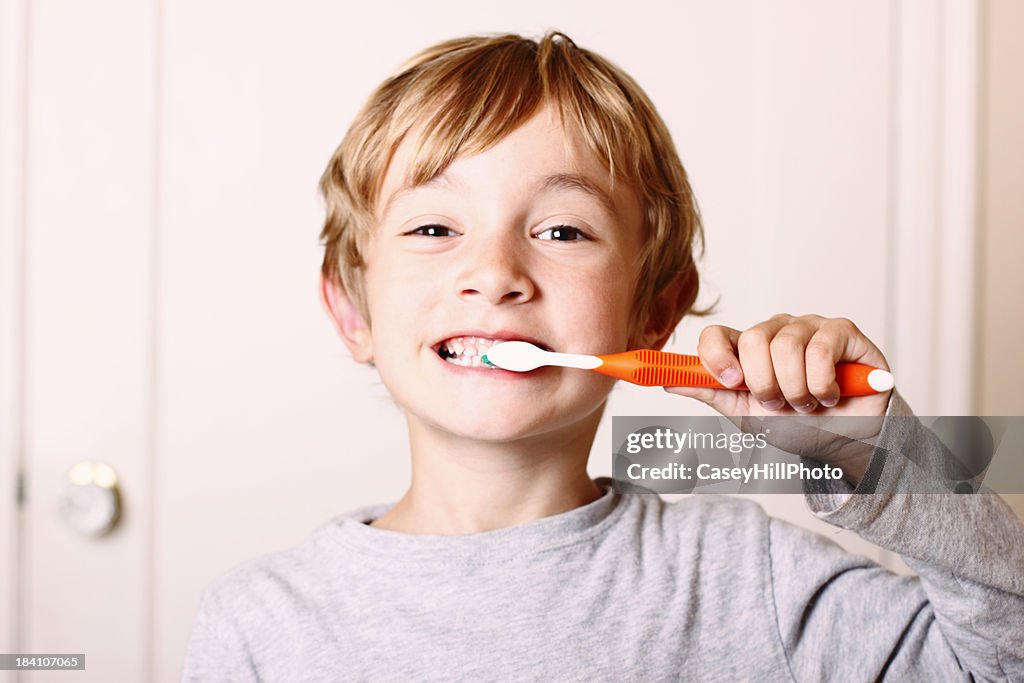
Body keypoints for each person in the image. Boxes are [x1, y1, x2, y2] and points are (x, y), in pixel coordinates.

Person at [182, 32, 1023, 681]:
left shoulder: (745, 575)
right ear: (349, 308)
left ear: (655, 310)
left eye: (562, 231)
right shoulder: (262, 621)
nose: (495, 273)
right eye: (435, 228)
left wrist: (888, 462)